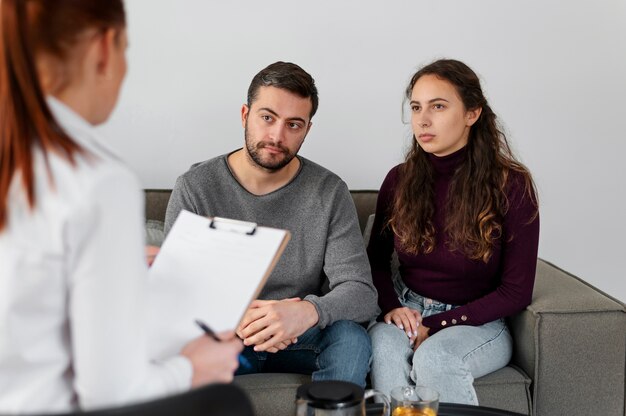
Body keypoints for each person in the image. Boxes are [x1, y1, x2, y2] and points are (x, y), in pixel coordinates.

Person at [0, 1, 242, 413]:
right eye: (127, 50)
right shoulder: (95, 180)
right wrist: (194, 367)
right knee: (226, 401)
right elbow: (111, 394)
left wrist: (117, 264)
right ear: (104, 47)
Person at [165, 61, 378, 387]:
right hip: (225, 336)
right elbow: (177, 292)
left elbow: (361, 293)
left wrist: (308, 312)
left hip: (301, 334)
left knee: (351, 338)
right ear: (244, 115)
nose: (277, 136)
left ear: (307, 129)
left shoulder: (329, 191)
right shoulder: (196, 187)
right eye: (267, 118)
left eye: (294, 124)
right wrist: (247, 320)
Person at [367, 59, 539, 404]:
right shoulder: (399, 180)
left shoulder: (512, 185)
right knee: (384, 353)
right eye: (416, 107)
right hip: (406, 307)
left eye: (438, 106)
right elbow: (374, 260)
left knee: (436, 358)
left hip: (477, 321)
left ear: (472, 113)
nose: (423, 119)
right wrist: (391, 307)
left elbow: (516, 292)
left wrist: (442, 322)